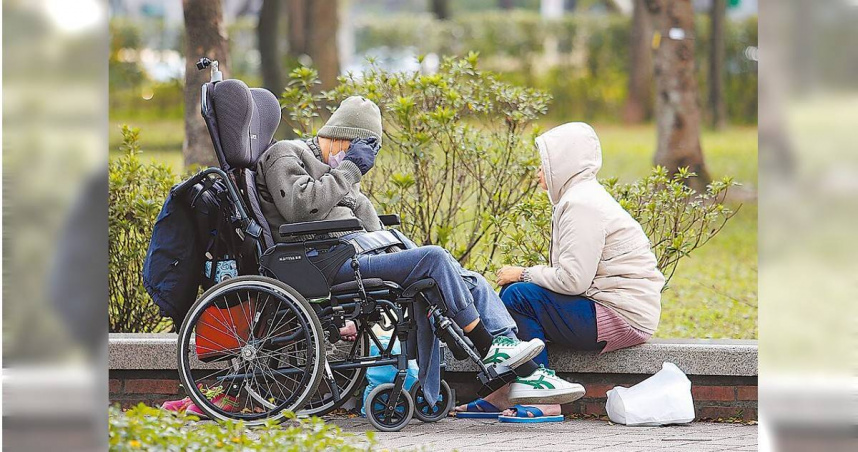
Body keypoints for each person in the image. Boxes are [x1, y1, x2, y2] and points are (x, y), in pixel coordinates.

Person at [255, 96, 585, 411]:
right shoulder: (286, 153)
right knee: (434, 258)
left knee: (465, 278)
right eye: (365, 149)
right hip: (320, 261)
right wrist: (351, 169)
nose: (366, 159)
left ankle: (520, 366)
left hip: (349, 254)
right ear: (344, 138)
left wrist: (383, 229)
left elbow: (364, 223)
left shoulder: (334, 171)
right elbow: (300, 207)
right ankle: (488, 349)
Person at [457, 122, 665, 420]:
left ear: (564, 165)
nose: (539, 173)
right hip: (612, 309)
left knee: (518, 296)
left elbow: (573, 280)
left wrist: (525, 273)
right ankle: (507, 392)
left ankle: (544, 398)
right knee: (518, 296)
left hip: (620, 316)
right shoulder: (580, 197)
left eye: (545, 165)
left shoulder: (583, 204)